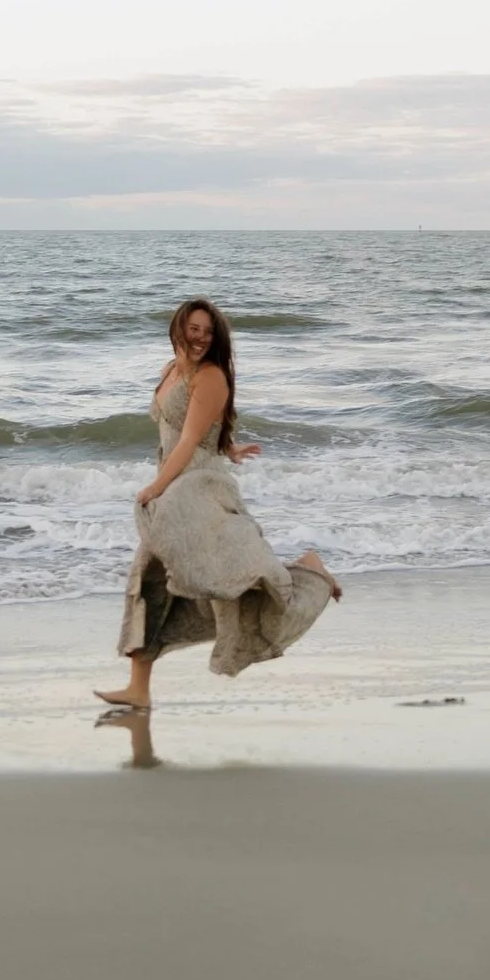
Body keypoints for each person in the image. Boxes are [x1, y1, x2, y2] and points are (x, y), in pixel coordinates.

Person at [93, 298, 340, 712]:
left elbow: (191, 442)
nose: (201, 338)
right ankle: (138, 687)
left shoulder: (210, 377)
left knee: (231, 580)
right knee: (148, 579)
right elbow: (190, 429)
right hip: (177, 483)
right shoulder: (170, 371)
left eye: (208, 331)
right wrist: (228, 445)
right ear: (178, 328)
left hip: (197, 486)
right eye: (194, 329)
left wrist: (155, 486)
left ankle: (310, 573)